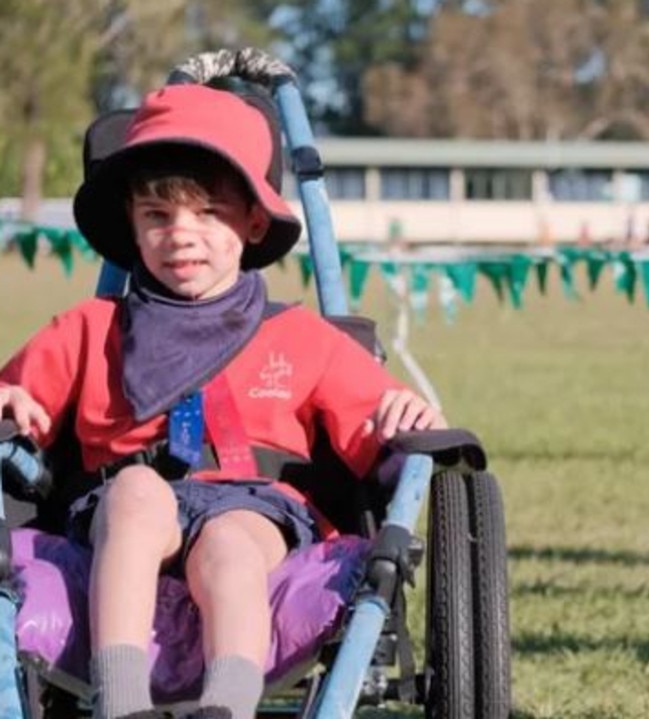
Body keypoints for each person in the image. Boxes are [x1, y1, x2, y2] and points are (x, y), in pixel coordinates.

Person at [0, 84, 443, 719]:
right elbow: (12, 403)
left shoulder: (301, 337)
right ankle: (120, 704)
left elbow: (383, 420)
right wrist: (9, 399)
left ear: (253, 223)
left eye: (208, 214)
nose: (180, 235)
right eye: (156, 216)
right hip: (124, 503)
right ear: (132, 223)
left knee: (229, 545)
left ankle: (226, 707)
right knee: (134, 495)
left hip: (252, 506)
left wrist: (407, 412)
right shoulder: (88, 329)